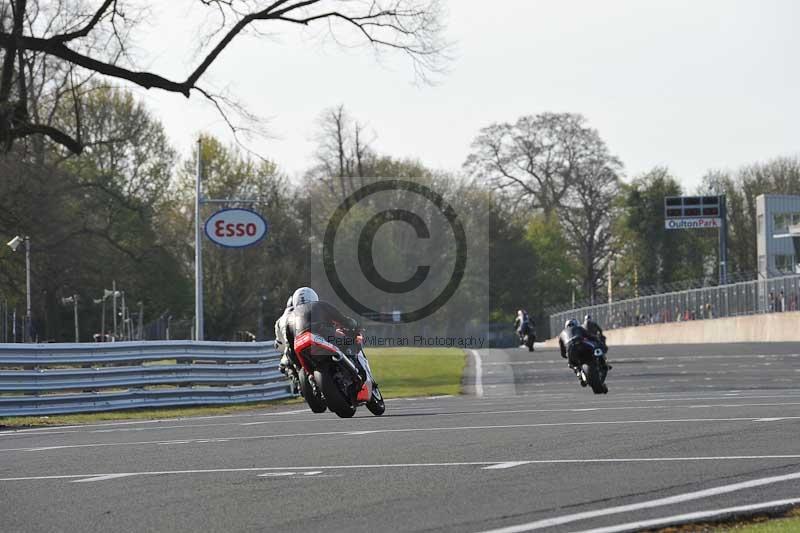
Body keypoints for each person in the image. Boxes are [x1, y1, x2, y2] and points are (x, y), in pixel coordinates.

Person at [285, 287, 376, 394]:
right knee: (351, 341)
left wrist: (300, 369)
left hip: (301, 345)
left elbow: (290, 346)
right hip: (322, 335)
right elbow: (341, 318)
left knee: (295, 357)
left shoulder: (290, 317)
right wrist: (353, 325)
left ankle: (314, 380)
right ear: (313, 297)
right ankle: (359, 371)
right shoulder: (320, 305)